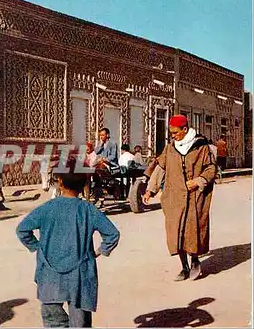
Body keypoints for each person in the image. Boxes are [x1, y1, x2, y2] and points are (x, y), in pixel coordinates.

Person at [16, 158, 120, 328]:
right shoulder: (88, 210)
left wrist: (37, 247)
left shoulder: (46, 208)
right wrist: (99, 251)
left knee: (53, 321)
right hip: (79, 278)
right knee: (80, 323)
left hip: (49, 276)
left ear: (60, 181)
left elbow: (22, 230)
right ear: (84, 184)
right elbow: (112, 234)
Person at [143, 115, 216, 281]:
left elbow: (211, 168)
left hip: (194, 196)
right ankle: (184, 267)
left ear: (185, 129)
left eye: (175, 132)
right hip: (174, 196)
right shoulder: (170, 148)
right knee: (175, 231)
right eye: (171, 133)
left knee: (193, 230)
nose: (173, 136)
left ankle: (195, 261)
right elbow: (160, 169)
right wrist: (150, 190)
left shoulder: (201, 147)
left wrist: (199, 181)